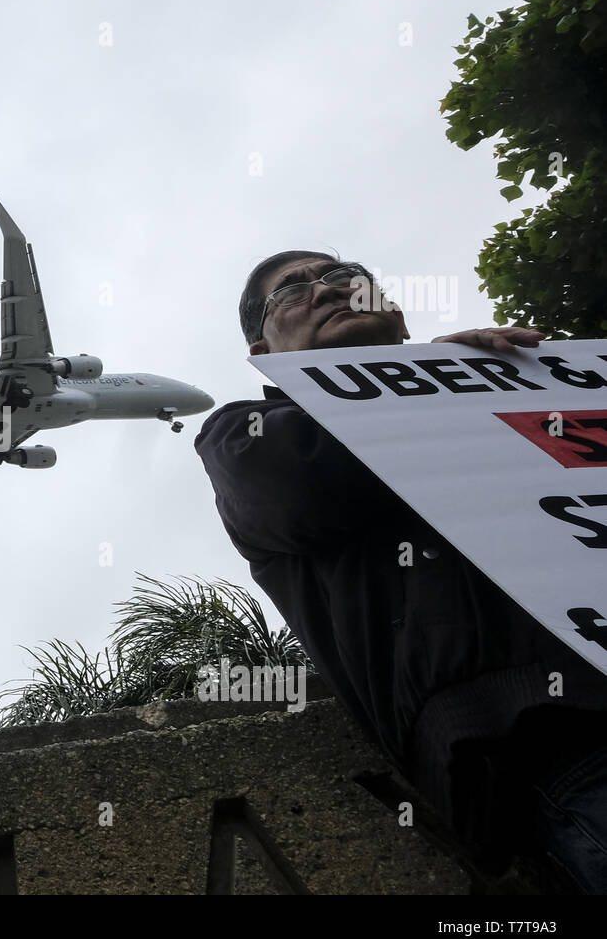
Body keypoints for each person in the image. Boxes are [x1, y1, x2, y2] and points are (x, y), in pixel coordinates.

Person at [194, 250, 607, 892]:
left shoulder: (523, 380)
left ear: (396, 313)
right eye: (292, 291)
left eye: (342, 278)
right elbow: (301, 488)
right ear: (264, 350)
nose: (326, 290)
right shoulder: (247, 434)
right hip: (549, 736)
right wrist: (434, 387)